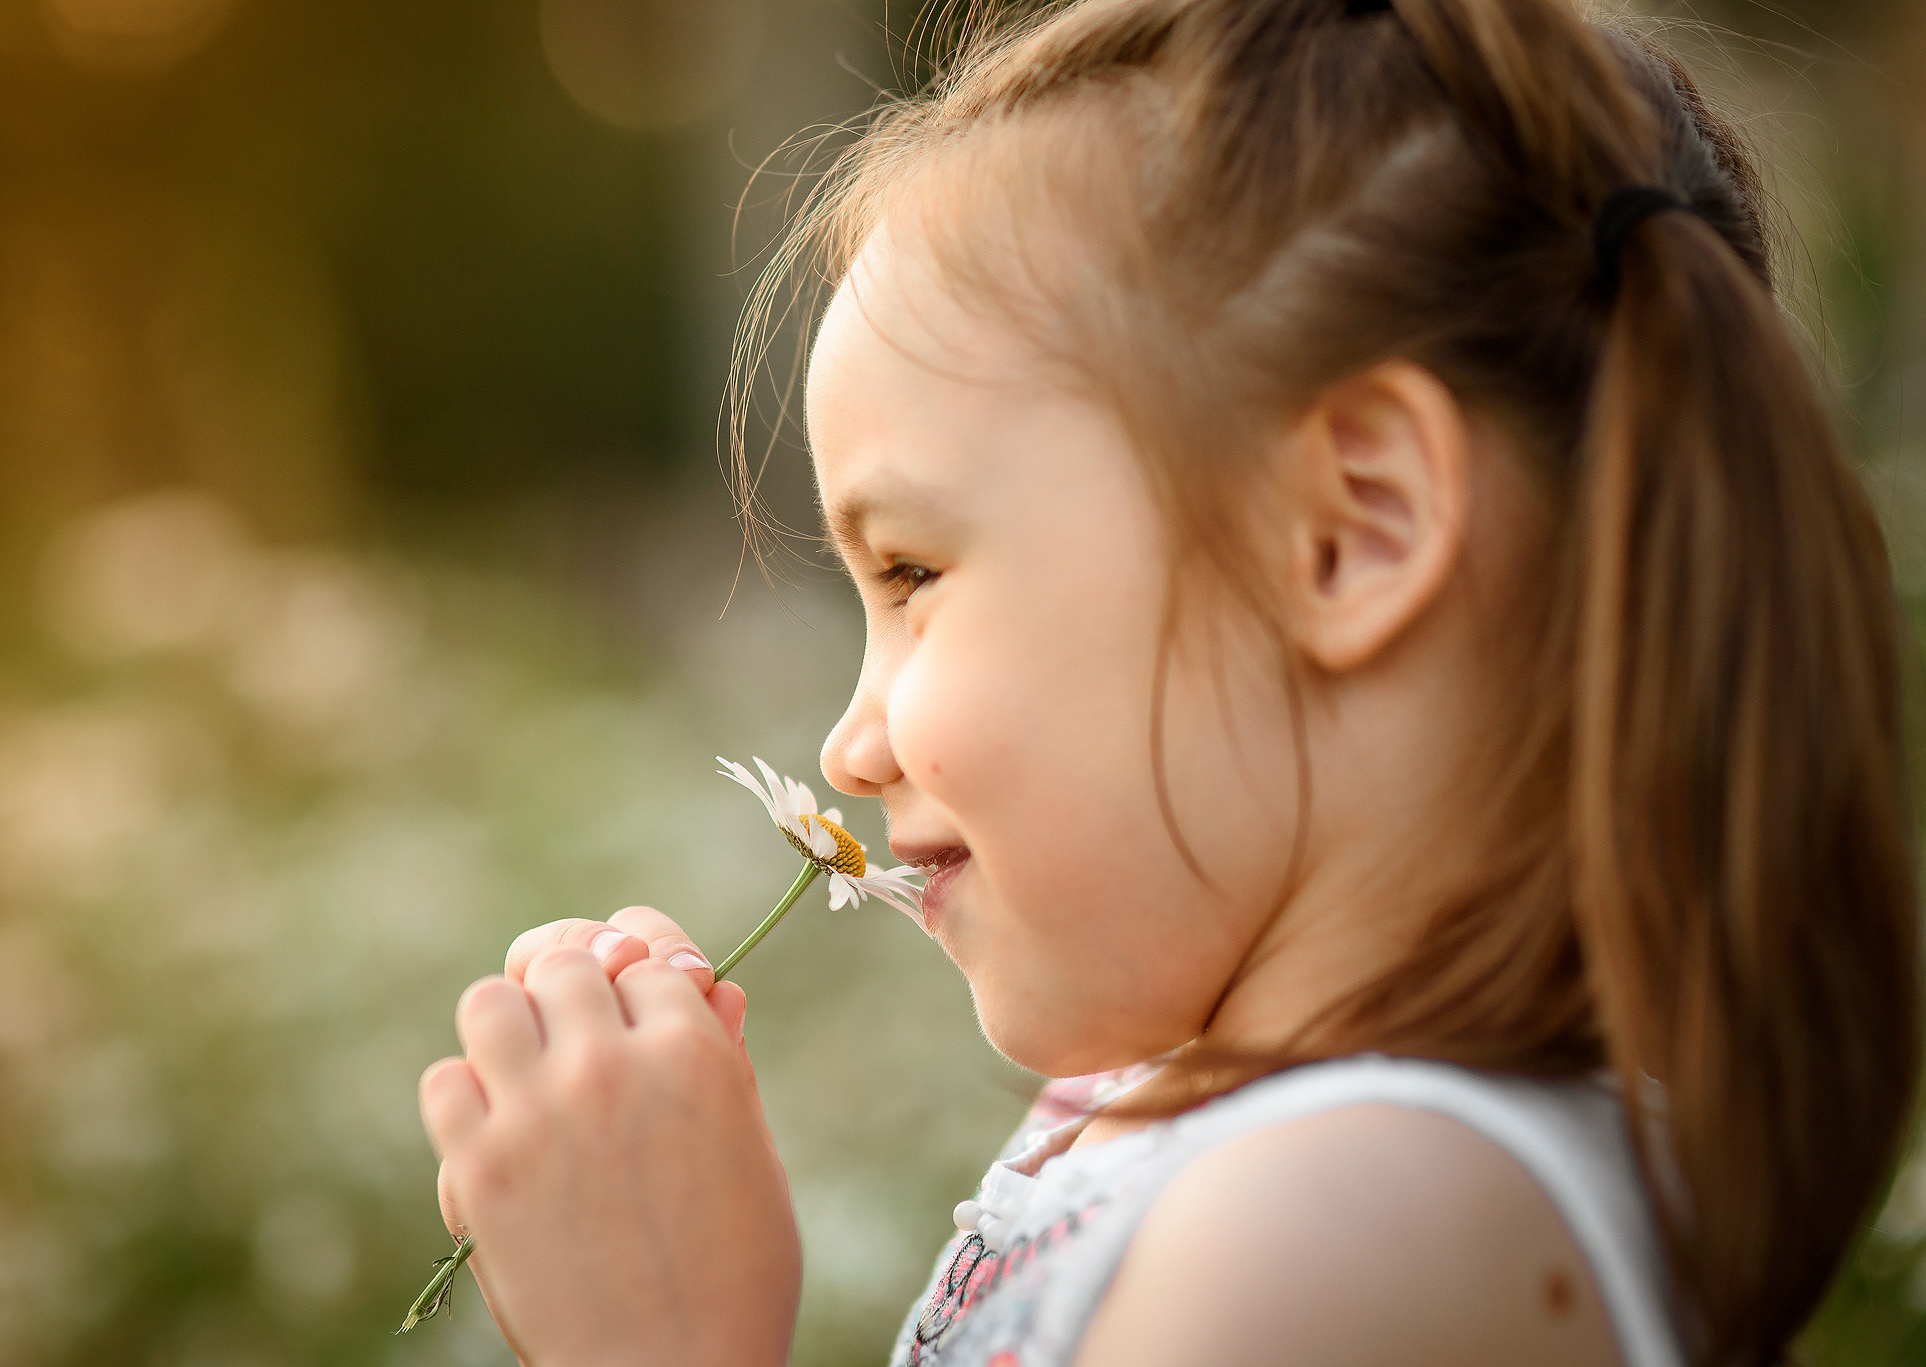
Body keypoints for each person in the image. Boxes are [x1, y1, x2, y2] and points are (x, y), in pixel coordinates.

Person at [414, 0, 1922, 1363]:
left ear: (1346, 533)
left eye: (918, 575)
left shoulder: (1357, 1233)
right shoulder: (1193, 1124)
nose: (850, 747)